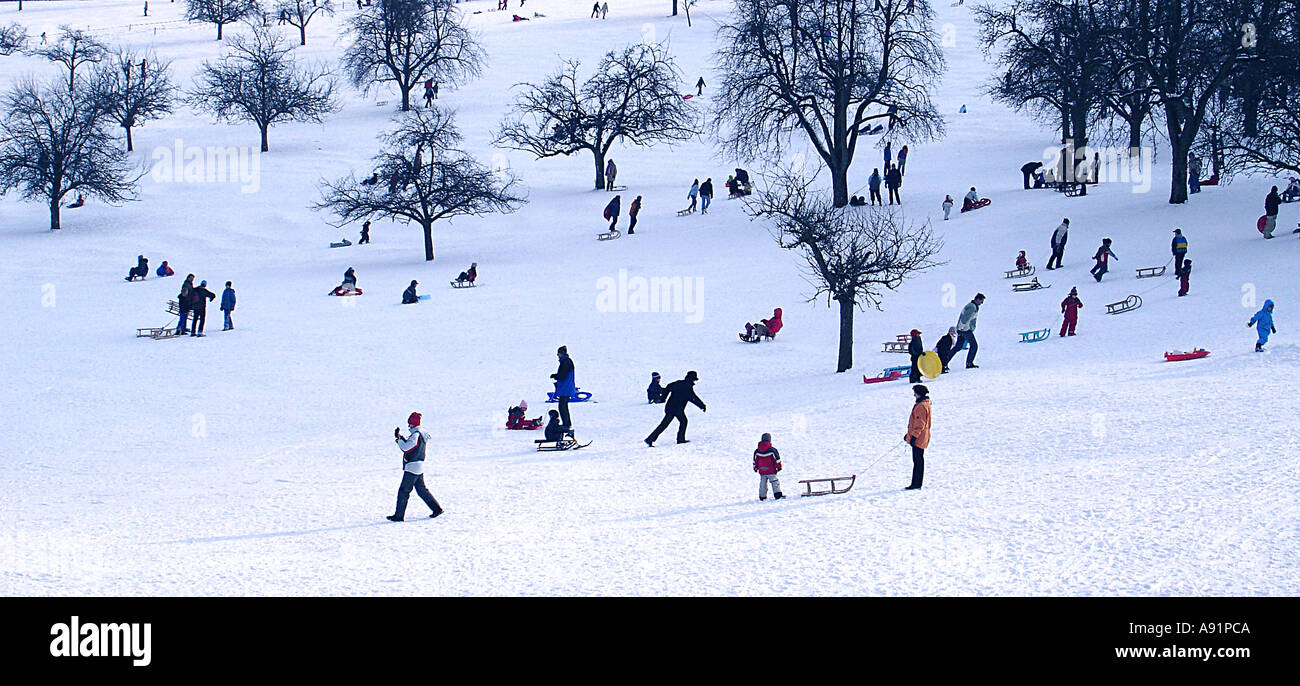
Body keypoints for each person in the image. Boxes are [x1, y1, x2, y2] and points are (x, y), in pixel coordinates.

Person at [388, 412, 443, 521]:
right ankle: (437, 509)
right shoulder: (421, 434)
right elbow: (411, 445)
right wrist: (402, 438)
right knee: (421, 490)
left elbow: (407, 448)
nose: (409, 426)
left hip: (412, 467)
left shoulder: (416, 435)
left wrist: (399, 441)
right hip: (419, 466)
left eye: (410, 424)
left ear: (414, 424)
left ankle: (399, 516)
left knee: (404, 491)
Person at [645, 371, 706, 446]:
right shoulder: (688, 388)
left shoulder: (678, 383)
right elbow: (694, 398)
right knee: (683, 421)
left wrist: (663, 398)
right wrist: (702, 406)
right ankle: (680, 439)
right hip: (677, 409)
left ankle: (650, 439)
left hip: (670, 407)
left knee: (665, 424)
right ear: (691, 379)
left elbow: (668, 387)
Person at [903, 384, 931, 490]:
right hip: (920, 437)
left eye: (915, 393)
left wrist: (913, 437)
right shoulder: (923, 404)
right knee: (918, 460)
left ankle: (916, 483)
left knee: (918, 461)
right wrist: (908, 435)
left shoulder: (921, 406)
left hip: (919, 438)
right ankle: (916, 482)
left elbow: (920, 424)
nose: (914, 395)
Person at [752, 433, 784, 501]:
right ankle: (777, 495)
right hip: (771, 470)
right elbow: (777, 460)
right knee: (774, 482)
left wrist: (755, 468)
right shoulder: (772, 450)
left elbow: (755, 460)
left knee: (763, 483)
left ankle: (762, 496)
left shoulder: (757, 451)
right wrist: (779, 467)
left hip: (762, 470)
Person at [956, 293, 984, 369]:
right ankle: (969, 363)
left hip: (963, 329)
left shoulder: (972, 306)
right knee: (974, 345)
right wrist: (961, 328)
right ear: (978, 299)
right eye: (981, 301)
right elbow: (965, 318)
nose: (982, 303)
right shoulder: (972, 307)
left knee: (958, 347)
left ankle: (944, 362)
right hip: (965, 329)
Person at [551, 346, 576, 431]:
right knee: (563, 406)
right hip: (566, 388)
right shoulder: (566, 361)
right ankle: (566, 423)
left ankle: (566, 424)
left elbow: (562, 376)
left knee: (562, 406)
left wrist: (555, 376)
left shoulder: (566, 362)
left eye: (559, 353)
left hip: (566, 388)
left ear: (562, 353)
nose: (557, 355)